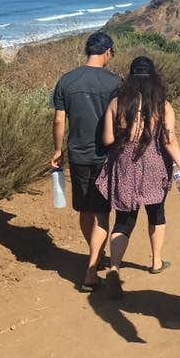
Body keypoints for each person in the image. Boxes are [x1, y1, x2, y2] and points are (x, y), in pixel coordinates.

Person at [97, 56, 180, 299]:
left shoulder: (117, 103)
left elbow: (107, 140)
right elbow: (169, 141)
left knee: (124, 220)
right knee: (156, 213)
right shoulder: (162, 104)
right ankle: (156, 261)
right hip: (153, 164)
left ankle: (114, 267)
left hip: (124, 164)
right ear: (153, 77)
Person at [50, 31, 120, 290]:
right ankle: (92, 272)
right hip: (105, 156)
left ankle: (95, 254)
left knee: (84, 210)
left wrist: (57, 150)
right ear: (107, 52)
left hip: (77, 154)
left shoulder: (66, 81)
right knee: (102, 212)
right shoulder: (114, 82)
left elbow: (59, 120)